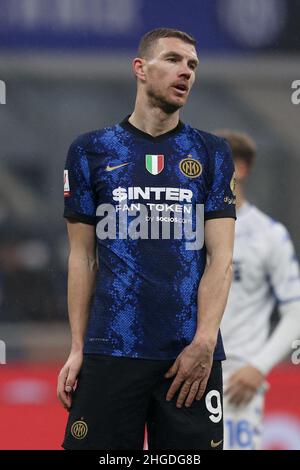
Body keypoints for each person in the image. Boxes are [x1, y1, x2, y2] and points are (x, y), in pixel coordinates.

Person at [57, 28, 236, 450]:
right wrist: (78, 347)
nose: (186, 72)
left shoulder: (210, 152)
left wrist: (205, 341)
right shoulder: (90, 151)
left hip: (189, 358)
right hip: (111, 351)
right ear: (140, 68)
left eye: (192, 65)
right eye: (174, 59)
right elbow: (82, 259)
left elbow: (221, 258)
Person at [215, 130, 300, 450]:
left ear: (242, 168)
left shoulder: (269, 235)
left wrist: (258, 367)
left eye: (221, 161)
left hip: (237, 382)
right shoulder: (186, 230)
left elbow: (296, 311)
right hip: (183, 380)